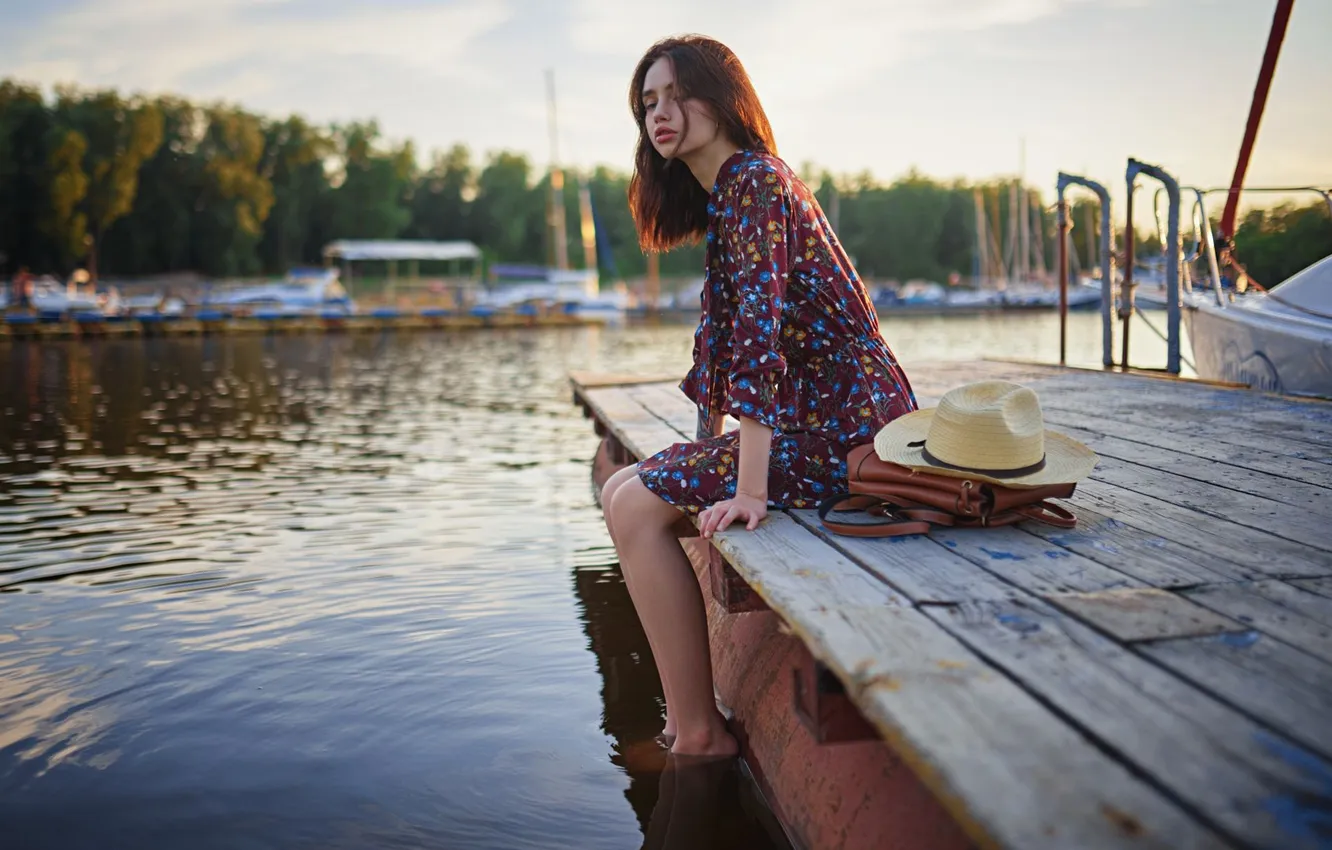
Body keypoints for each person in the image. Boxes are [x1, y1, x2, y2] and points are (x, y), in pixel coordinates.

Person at [600, 35, 917, 758]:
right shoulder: (733, 195)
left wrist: (749, 490)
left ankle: (698, 733)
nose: (661, 113)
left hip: (853, 429)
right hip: (817, 418)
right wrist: (706, 447)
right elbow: (719, 348)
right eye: (648, 102)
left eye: (677, 94)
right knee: (625, 487)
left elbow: (758, 341)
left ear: (724, 98)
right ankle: (687, 716)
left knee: (636, 504)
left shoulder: (754, 182)